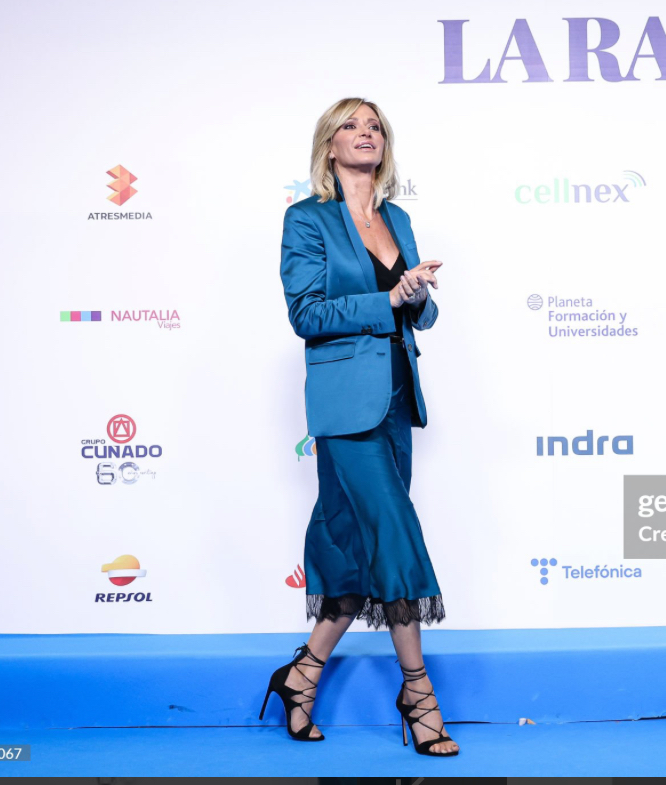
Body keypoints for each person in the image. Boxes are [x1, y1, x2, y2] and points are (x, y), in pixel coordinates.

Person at [260, 97, 458, 757]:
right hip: (346, 406)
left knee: (350, 540)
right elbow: (307, 314)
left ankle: (301, 675)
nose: (365, 133)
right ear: (330, 144)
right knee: (395, 531)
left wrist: (416, 297)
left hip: (397, 397)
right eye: (351, 125)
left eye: (374, 126)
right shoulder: (307, 219)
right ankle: (418, 693)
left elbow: (419, 315)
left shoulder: (397, 218)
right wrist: (387, 298)